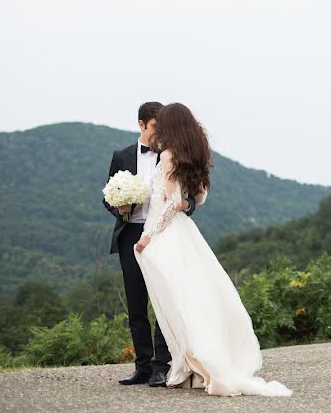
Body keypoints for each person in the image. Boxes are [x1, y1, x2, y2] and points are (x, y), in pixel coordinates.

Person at [134, 102, 291, 397]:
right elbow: (200, 198)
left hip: (165, 232)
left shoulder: (168, 155)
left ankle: (186, 365)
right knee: (189, 298)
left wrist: (148, 237)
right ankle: (188, 366)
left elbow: (170, 202)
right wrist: (182, 203)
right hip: (183, 231)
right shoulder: (189, 155)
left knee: (174, 301)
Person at [103, 102, 197, 387]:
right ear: (142, 125)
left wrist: (186, 205)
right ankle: (142, 366)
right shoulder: (121, 156)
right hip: (130, 234)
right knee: (136, 304)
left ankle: (161, 366)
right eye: (156, 127)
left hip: (162, 235)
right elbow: (107, 196)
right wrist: (120, 208)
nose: (160, 133)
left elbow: (190, 197)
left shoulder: (172, 156)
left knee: (164, 300)